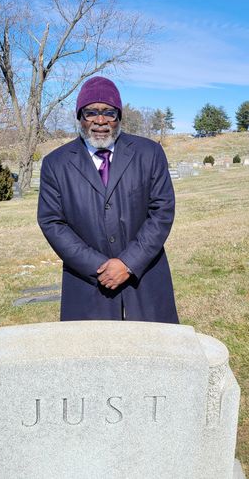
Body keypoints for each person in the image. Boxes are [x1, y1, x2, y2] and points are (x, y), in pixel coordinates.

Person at [37, 76, 178, 323]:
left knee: (153, 354)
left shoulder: (149, 153)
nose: (100, 121)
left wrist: (128, 263)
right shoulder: (55, 164)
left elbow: (162, 211)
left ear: (119, 116)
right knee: (92, 356)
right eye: (91, 112)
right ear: (79, 116)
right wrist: (99, 267)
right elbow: (52, 222)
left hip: (143, 276)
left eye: (109, 113)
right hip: (87, 281)